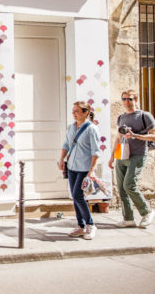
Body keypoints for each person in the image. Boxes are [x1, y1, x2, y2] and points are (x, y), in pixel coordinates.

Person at [109, 90, 155, 228]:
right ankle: (128, 218)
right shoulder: (121, 117)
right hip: (121, 154)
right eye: (123, 99)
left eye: (129, 99)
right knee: (121, 188)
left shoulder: (144, 116)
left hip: (138, 154)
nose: (126, 102)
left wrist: (135, 136)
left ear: (136, 99)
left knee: (129, 185)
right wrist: (112, 157)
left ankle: (147, 212)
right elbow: (118, 138)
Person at [58, 101, 101, 240]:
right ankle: (81, 226)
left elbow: (96, 152)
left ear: (85, 112)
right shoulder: (71, 127)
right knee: (74, 196)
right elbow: (66, 144)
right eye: (73, 111)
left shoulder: (91, 129)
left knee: (78, 195)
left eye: (77, 111)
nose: (74, 114)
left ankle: (90, 224)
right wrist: (61, 159)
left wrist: (92, 170)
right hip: (72, 166)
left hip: (84, 168)